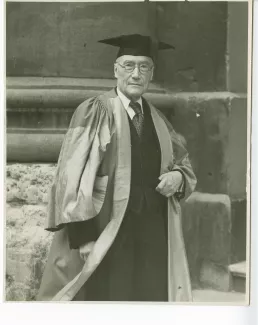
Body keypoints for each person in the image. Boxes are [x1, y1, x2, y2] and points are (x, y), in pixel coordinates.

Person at [37, 34, 197, 302]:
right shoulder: (95, 110)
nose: (136, 74)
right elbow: (71, 176)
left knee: (150, 302)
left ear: (151, 72)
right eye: (129, 65)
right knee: (110, 301)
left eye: (144, 66)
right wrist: (84, 237)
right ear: (115, 70)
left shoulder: (158, 120)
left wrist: (177, 177)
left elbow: (184, 164)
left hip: (153, 233)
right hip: (107, 231)